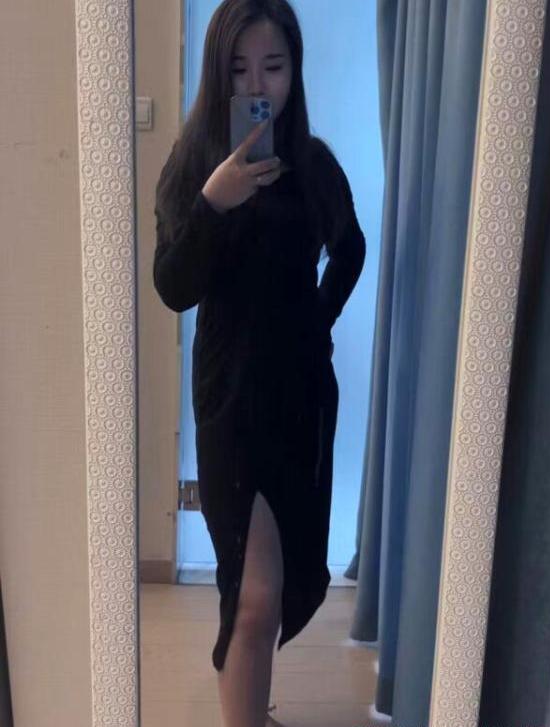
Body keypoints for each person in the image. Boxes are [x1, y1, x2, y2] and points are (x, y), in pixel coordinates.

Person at [152, 1, 365, 725]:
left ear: (295, 71)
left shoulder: (312, 163)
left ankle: (251, 705)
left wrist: (317, 322)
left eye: (273, 66)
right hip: (230, 399)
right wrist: (214, 203)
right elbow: (172, 286)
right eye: (239, 69)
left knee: (269, 588)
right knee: (251, 591)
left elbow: (350, 248)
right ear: (218, 76)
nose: (257, 85)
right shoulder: (192, 167)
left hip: (299, 398)